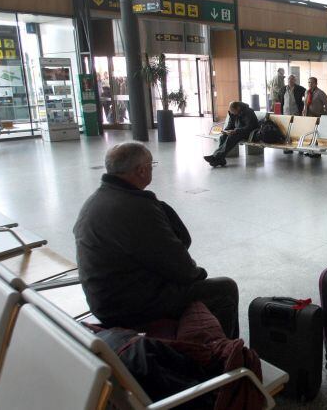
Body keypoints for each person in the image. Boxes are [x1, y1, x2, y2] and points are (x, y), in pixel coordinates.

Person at [74, 142, 240, 339]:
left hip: (102, 297)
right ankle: (223, 356)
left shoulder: (96, 200)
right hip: (126, 307)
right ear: (142, 170)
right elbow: (182, 268)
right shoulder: (137, 208)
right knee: (224, 289)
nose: (152, 169)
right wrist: (198, 275)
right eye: (151, 165)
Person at [204, 101, 259, 167]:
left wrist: (236, 131)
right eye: (231, 111)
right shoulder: (233, 113)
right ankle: (220, 159)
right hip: (238, 132)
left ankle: (216, 157)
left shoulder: (248, 112)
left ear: (238, 108)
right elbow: (230, 125)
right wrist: (225, 131)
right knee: (223, 137)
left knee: (232, 137)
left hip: (249, 133)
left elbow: (250, 127)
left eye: (233, 111)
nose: (232, 113)